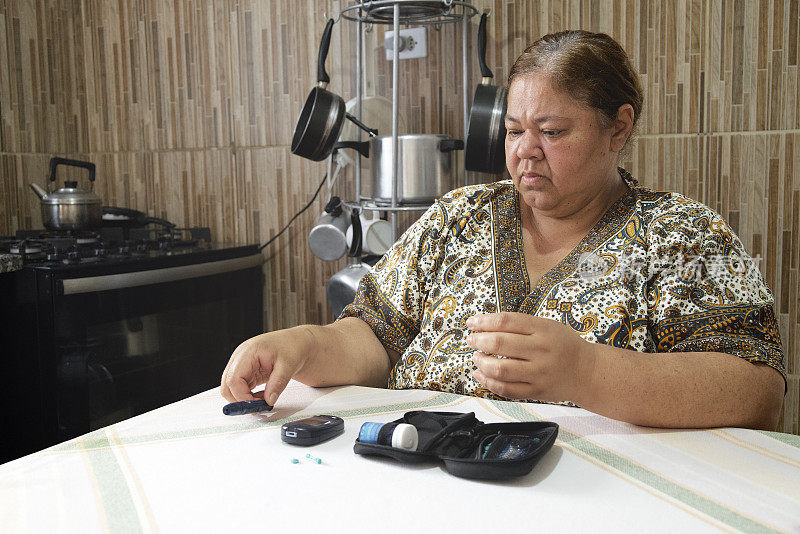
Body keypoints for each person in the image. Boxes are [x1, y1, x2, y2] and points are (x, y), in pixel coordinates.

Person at [221, 30, 786, 430]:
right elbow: (375, 336)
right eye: (515, 131)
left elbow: (757, 392)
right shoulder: (459, 217)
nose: (526, 154)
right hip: (420, 476)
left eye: (553, 131)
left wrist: (587, 372)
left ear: (618, 126)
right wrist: (301, 345)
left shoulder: (683, 235)